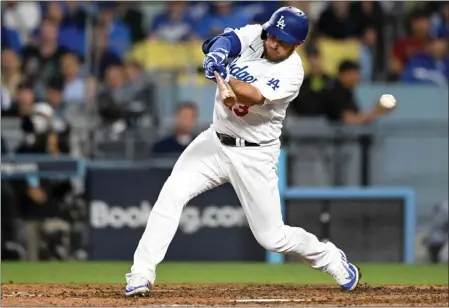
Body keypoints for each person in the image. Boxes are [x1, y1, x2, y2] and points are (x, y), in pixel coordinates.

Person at [125, 7, 361, 296]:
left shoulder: (292, 72)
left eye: (282, 41)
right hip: (214, 142)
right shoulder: (258, 34)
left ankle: (330, 257)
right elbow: (226, 41)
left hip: (254, 155)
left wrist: (227, 77)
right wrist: (217, 54)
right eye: (272, 36)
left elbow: (251, 95)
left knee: (272, 238)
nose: (273, 43)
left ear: (298, 45)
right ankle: (140, 274)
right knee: (171, 194)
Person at [321, 60, 392, 124]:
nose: (357, 77)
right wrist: (376, 111)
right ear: (345, 74)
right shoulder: (334, 92)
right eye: (355, 74)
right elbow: (351, 120)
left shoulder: (348, 92)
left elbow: (356, 115)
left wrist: (377, 111)